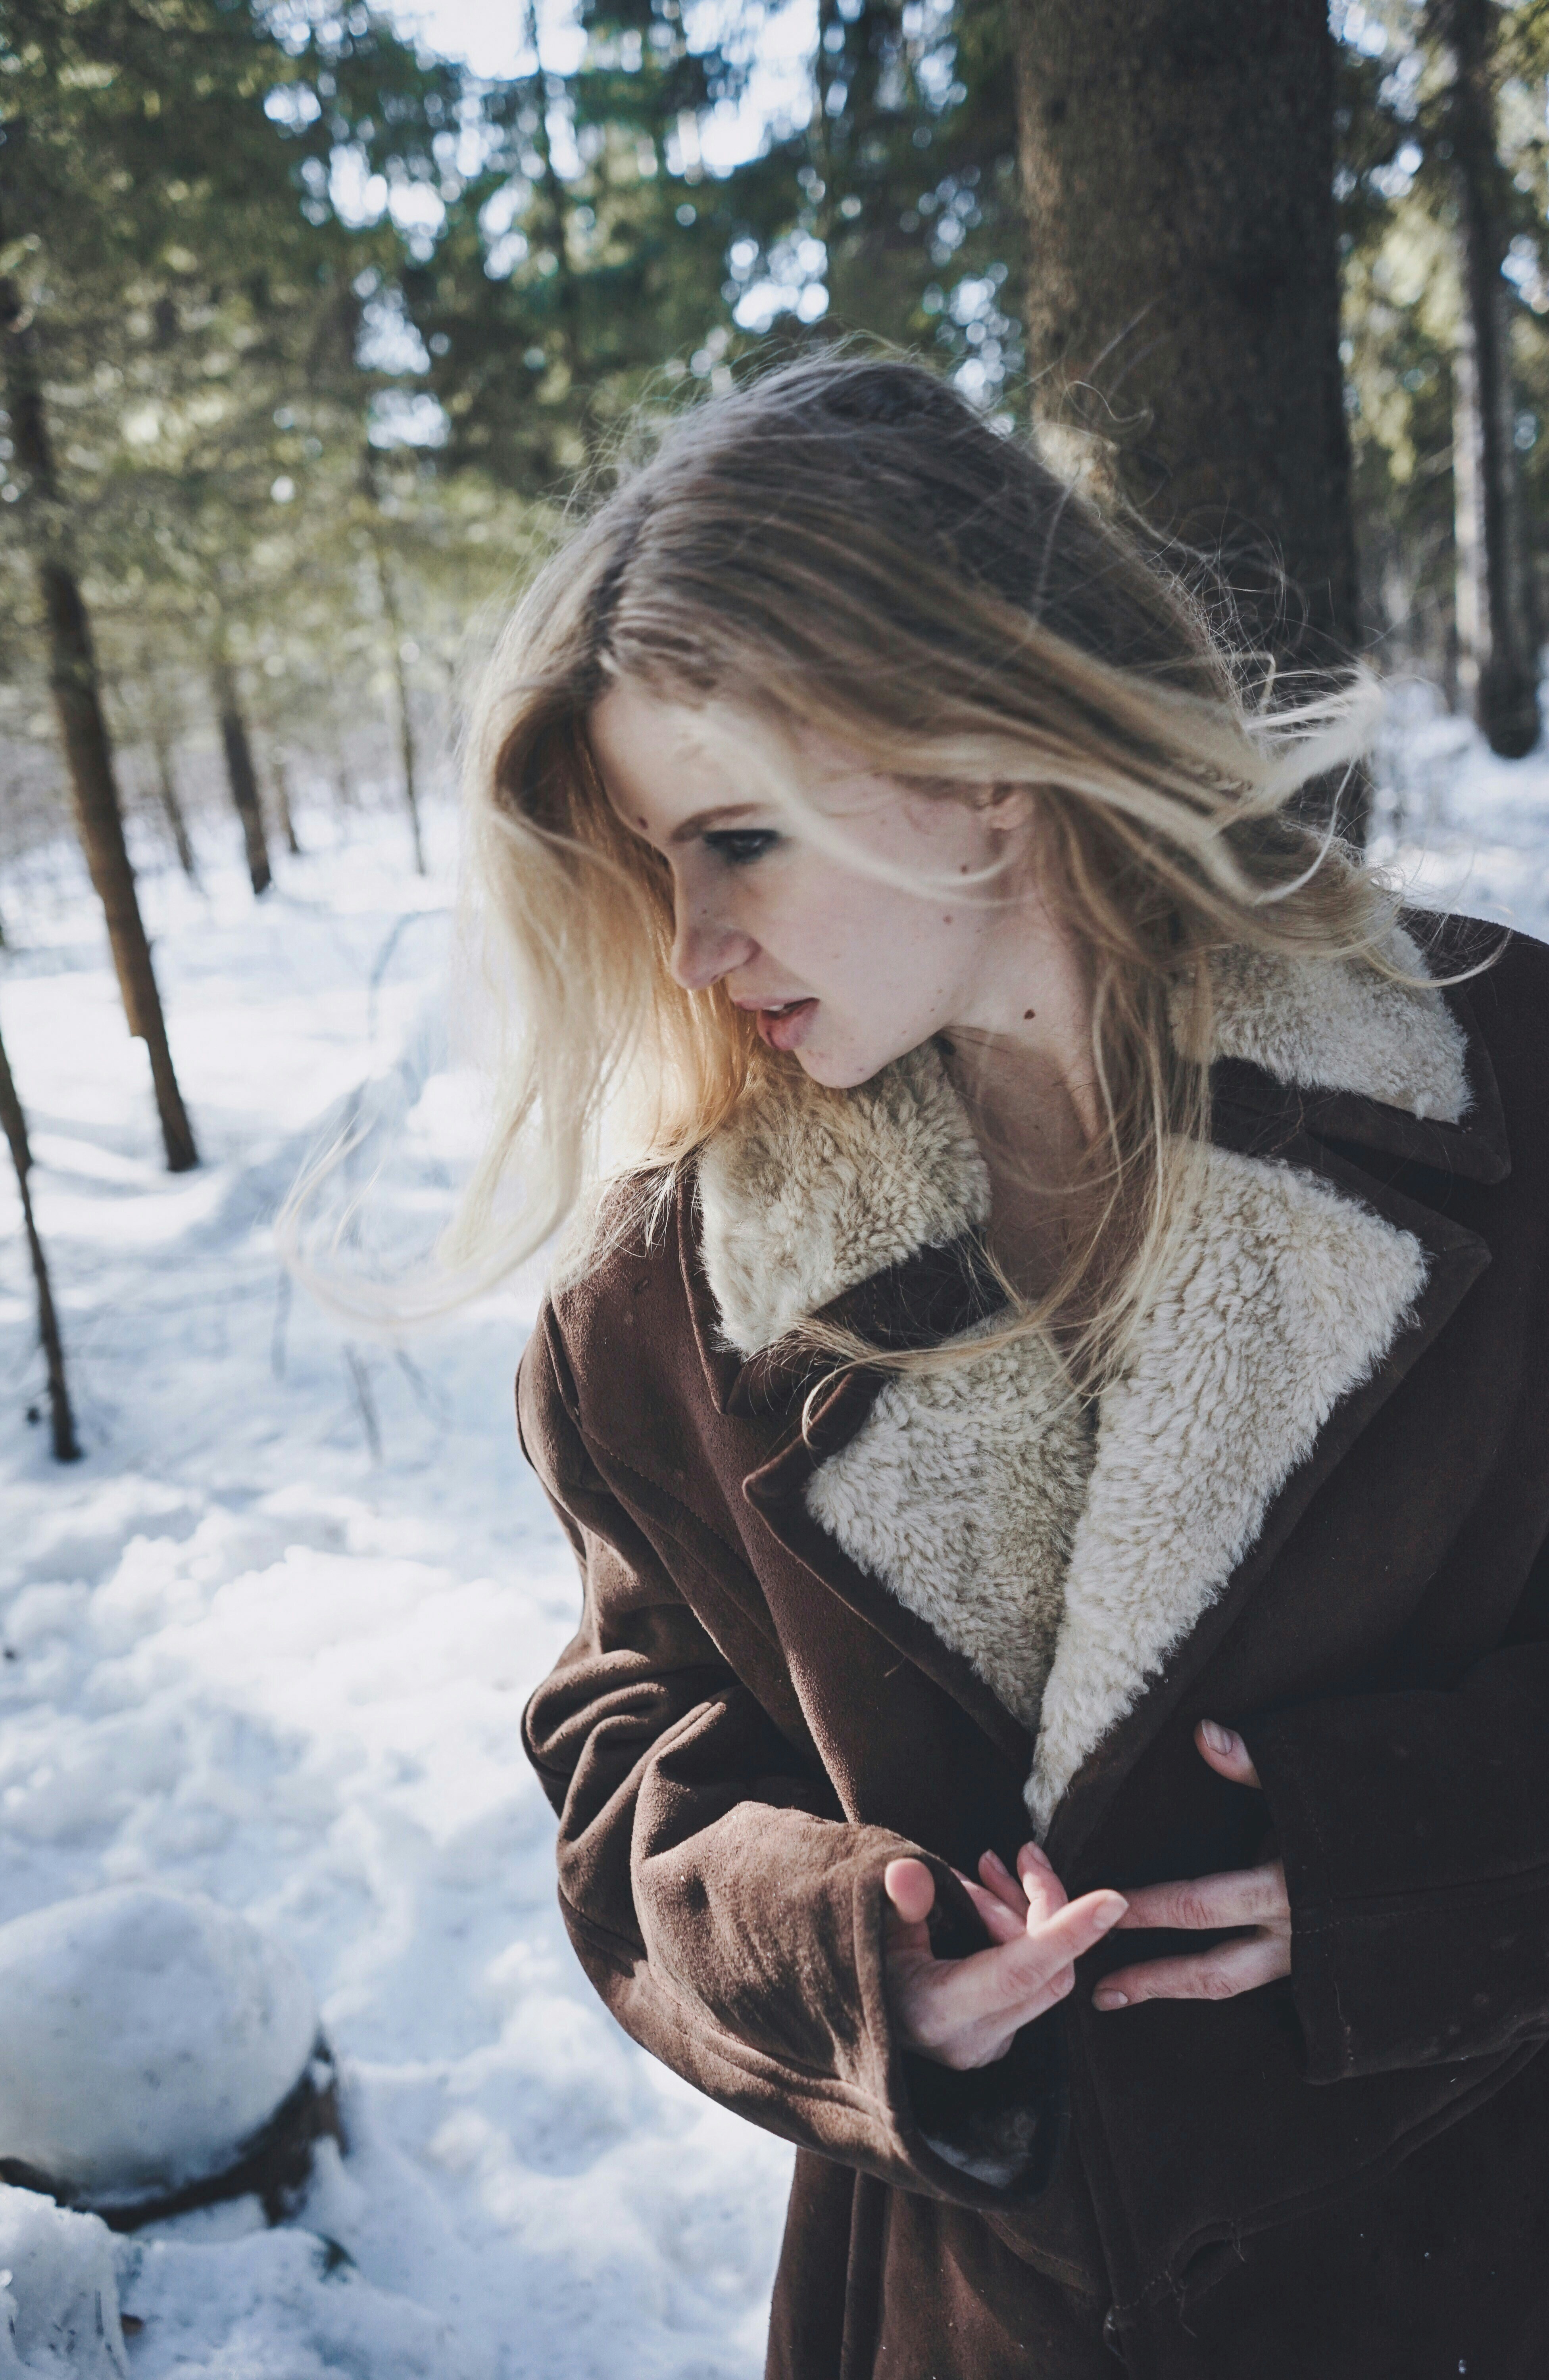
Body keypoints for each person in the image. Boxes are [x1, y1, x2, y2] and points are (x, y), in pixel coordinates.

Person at [458, 353, 1549, 2377]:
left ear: (983, 751)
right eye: (656, 865)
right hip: (971, 2318)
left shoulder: (1512, 1105)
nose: (691, 945)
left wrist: (1421, 1862)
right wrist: (846, 1963)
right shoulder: (659, 1319)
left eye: (742, 841)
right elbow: (632, 1764)